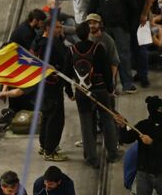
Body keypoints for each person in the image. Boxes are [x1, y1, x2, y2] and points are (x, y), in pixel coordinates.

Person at [65, 21, 119, 168]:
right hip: (100, 90)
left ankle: (91, 157)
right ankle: (112, 153)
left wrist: (69, 91)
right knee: (107, 121)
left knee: (86, 124)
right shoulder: (98, 48)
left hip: (82, 93)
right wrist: (110, 89)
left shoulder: (71, 50)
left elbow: (67, 73)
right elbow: (107, 71)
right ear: (88, 33)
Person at [32, 18, 72, 161]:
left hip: (45, 88)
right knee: (55, 119)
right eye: (57, 27)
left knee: (47, 116)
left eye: (60, 27)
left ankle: (44, 146)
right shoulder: (48, 45)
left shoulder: (39, 42)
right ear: (48, 28)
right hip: (51, 88)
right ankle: (50, 150)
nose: (60, 29)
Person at [88, 0, 138, 93]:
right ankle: (120, 84)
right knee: (118, 56)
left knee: (117, 56)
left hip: (115, 27)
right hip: (110, 28)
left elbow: (132, 7)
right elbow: (133, 7)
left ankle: (119, 84)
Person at [86, 13, 120, 92]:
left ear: (100, 24)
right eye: (89, 23)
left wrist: (111, 80)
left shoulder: (108, 40)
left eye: (94, 23)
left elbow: (114, 61)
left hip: (104, 77)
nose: (91, 25)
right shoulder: (86, 38)